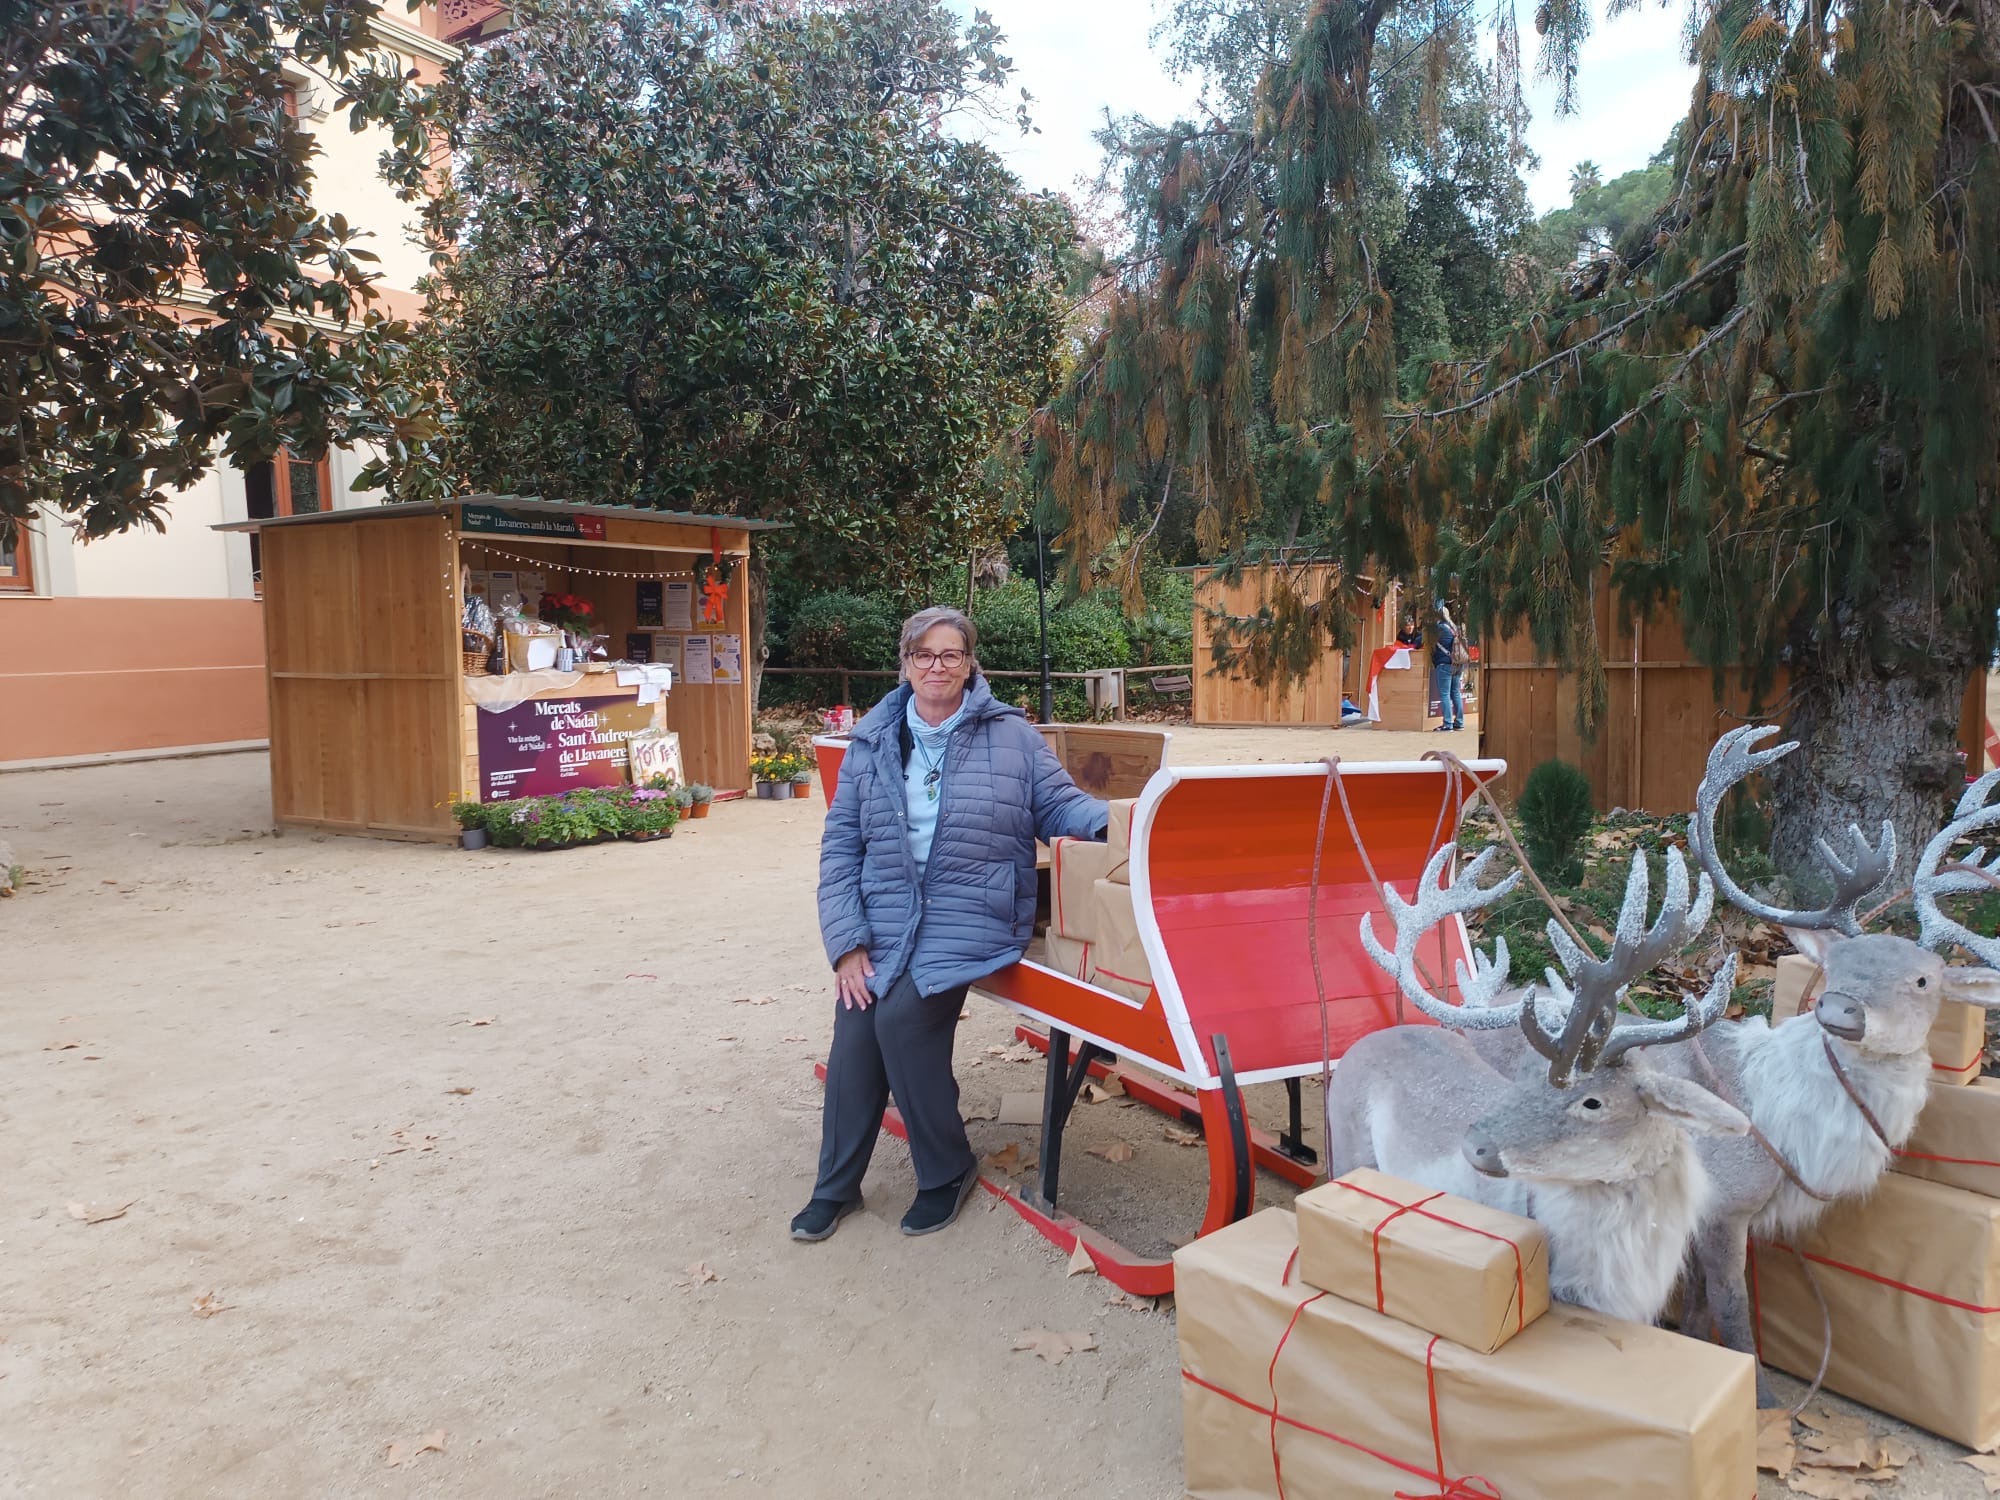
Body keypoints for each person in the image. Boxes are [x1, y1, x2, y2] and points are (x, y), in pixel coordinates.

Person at [792, 606, 1109, 1243]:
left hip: (971, 911)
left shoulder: (1011, 736)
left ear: (970, 664)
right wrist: (847, 943)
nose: (937, 667)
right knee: (857, 1025)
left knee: (901, 1017)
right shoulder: (873, 739)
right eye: (923, 655)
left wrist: (1125, 821)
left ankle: (945, 1171)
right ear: (905, 663)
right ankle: (836, 1187)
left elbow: (1059, 803)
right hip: (885, 918)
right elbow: (840, 847)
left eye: (951, 655)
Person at [1432, 602, 1466, 732]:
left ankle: (1447, 723)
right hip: (1458, 663)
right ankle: (1459, 722)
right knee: (1456, 693)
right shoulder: (1454, 628)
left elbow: (1421, 641)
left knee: (1445, 694)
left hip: (1444, 663)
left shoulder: (1439, 628)